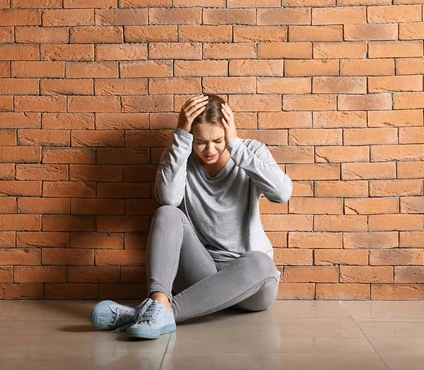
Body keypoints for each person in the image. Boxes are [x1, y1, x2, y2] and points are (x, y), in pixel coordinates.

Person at [90, 94, 293, 339]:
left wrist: (236, 145)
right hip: (202, 274)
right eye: (200, 142)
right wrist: (181, 140)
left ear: (228, 132)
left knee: (261, 262)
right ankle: (158, 301)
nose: (209, 150)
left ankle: (153, 313)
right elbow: (168, 199)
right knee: (167, 213)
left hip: (250, 284)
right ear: (190, 137)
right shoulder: (180, 154)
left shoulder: (250, 151)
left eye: (218, 140)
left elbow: (281, 194)